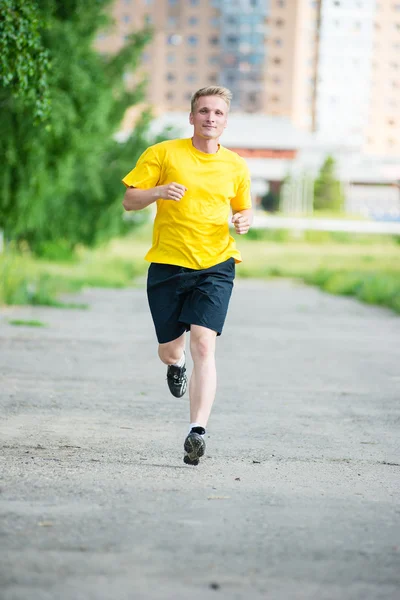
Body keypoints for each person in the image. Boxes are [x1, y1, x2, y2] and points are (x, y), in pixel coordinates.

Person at [122, 86, 252, 465]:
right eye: (204, 111)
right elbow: (130, 200)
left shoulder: (236, 166)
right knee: (172, 350)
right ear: (191, 116)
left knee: (203, 344)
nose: (211, 118)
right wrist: (158, 191)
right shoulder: (163, 154)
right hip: (167, 264)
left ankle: (197, 430)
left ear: (226, 121)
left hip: (216, 264)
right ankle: (175, 366)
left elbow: (244, 210)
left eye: (219, 113)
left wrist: (244, 221)